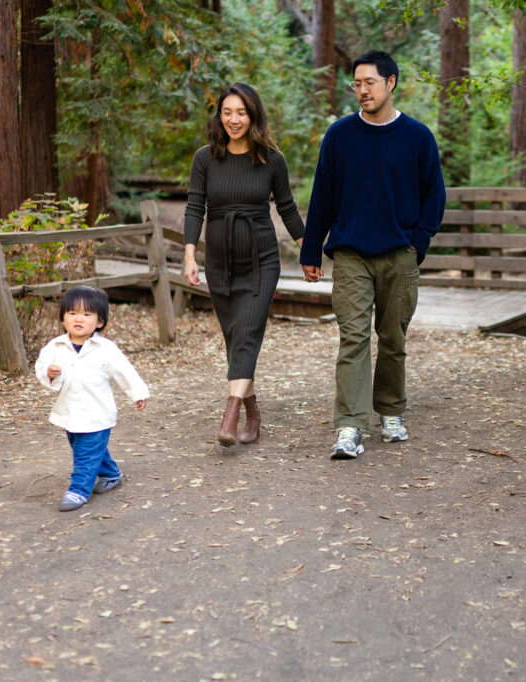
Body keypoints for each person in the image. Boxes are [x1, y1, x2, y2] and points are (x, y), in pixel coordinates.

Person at [300, 50, 446, 460]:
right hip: (350, 255)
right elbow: (323, 196)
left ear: (391, 83)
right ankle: (349, 426)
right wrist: (312, 249)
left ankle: (391, 412)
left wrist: (418, 242)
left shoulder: (418, 137)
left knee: (393, 338)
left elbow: (434, 196)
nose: (362, 91)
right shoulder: (340, 136)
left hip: (400, 254)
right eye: (357, 84)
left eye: (370, 83)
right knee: (353, 338)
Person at [183, 83, 305, 447]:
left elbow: (288, 209)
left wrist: (309, 251)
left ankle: (231, 414)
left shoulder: (271, 159)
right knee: (236, 338)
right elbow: (194, 208)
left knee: (247, 333)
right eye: (227, 112)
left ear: (253, 116)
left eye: (241, 113)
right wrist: (190, 255)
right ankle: (253, 411)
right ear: (219, 116)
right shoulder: (205, 159)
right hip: (219, 262)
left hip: (261, 261)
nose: (234, 120)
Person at [34, 286, 149, 512]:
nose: (79, 319)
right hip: (69, 411)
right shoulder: (55, 347)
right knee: (84, 447)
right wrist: (49, 372)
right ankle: (111, 474)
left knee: (85, 454)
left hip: (97, 413)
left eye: (87, 314)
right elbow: (41, 367)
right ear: (63, 317)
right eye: (72, 313)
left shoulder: (105, 349)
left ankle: (78, 490)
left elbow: (125, 371)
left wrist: (138, 393)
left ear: (99, 322)